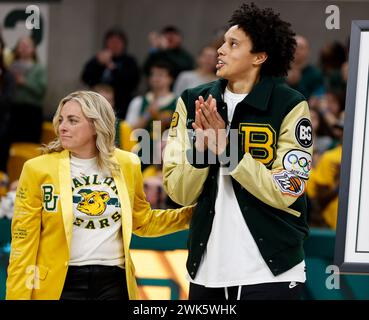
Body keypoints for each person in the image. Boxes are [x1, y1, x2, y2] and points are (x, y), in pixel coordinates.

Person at [163, 3, 313, 300]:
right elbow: (179, 193)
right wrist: (204, 151)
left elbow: (287, 190)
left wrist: (228, 150)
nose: (220, 50)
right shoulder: (192, 100)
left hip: (272, 272)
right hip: (205, 271)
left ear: (259, 57)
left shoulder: (290, 105)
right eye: (222, 42)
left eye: (233, 44)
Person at [6, 91, 193, 300]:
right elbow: (23, 244)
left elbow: (143, 222)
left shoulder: (128, 164)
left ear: (96, 125)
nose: (62, 127)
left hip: (113, 281)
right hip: (60, 282)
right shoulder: (37, 169)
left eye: (72, 120)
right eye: (60, 120)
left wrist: (191, 215)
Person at [81, 28, 140, 119]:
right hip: (96, 104)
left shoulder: (129, 61)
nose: (114, 45)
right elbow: (85, 78)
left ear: (123, 44)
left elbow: (131, 82)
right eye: (111, 42)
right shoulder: (98, 60)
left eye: (118, 42)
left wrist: (112, 67)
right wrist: (98, 64)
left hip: (121, 106)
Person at [8, 36, 47, 143]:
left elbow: (41, 91)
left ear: (33, 49)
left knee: (30, 143)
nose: (24, 48)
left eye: (27, 45)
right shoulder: (10, 67)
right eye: (21, 45)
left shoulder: (38, 68)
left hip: (32, 112)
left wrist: (25, 82)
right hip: (14, 111)